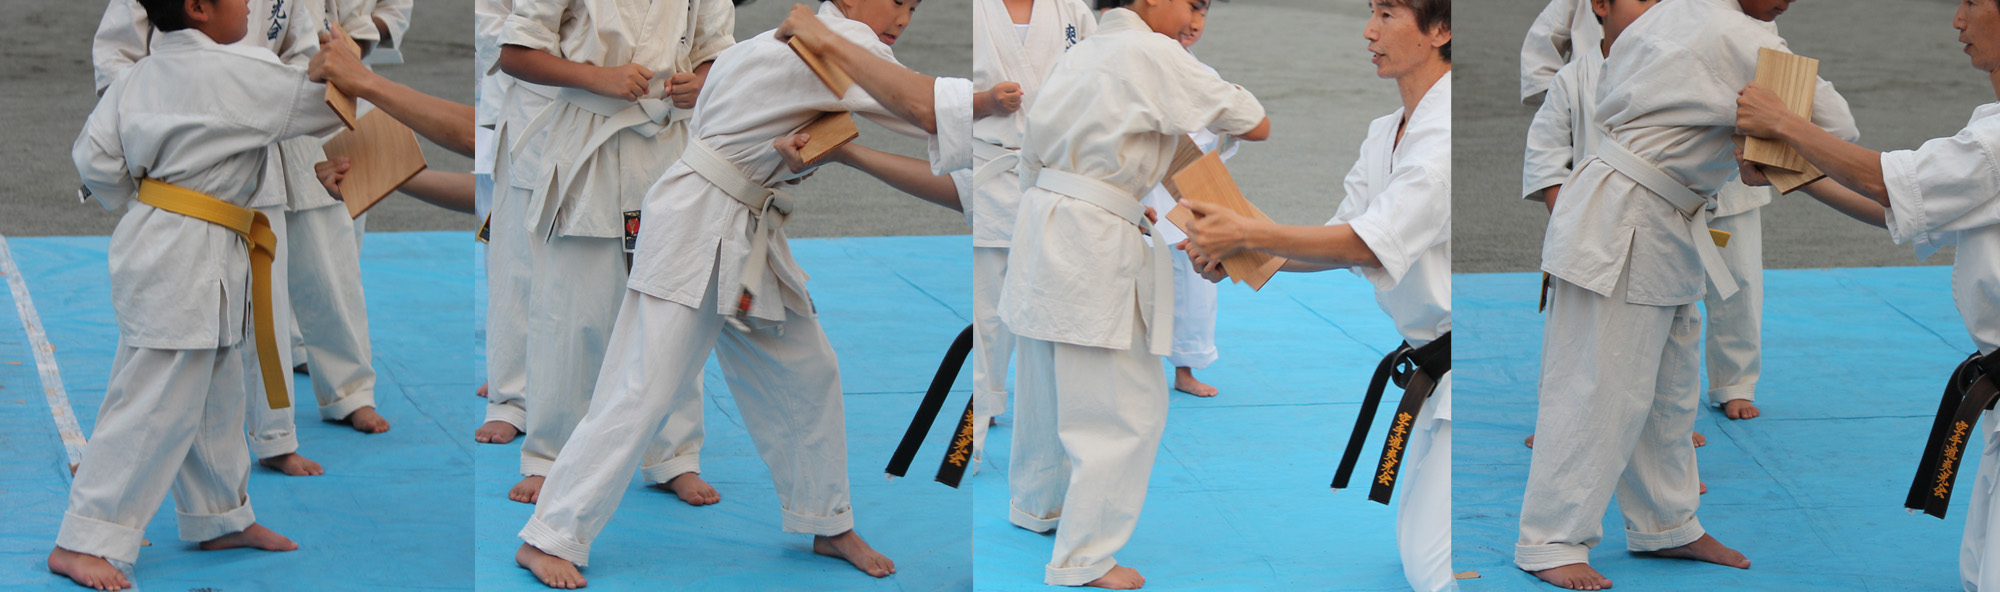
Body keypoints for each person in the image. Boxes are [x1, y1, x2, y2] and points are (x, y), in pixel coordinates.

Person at [509, 1, 974, 587]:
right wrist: (998, 103)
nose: (904, 16)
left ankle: (825, 519)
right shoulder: (832, 40)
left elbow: (752, 106)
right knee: (643, 380)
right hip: (696, 225)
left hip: (746, 235)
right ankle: (549, 535)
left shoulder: (811, 41)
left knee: (807, 370)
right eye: (897, 0)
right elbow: (921, 107)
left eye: (915, 5)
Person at [1513, 0, 1857, 588]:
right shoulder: (1737, 34)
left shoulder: (1685, 14)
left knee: (1668, 388)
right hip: (1626, 216)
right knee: (1597, 385)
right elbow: (1836, 123)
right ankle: (1549, 540)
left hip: (1660, 212)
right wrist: (1767, 141)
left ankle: (1667, 524)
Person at [48, 0, 350, 587]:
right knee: (153, 398)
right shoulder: (239, 72)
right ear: (200, 9)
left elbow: (96, 162)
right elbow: (323, 107)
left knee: (216, 386)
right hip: (190, 252)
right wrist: (345, 64)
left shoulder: (138, 75)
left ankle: (219, 516)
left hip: (159, 235)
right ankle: (84, 536)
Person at [998, 0, 1268, 587]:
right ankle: (1085, 557)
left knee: (1045, 382)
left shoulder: (1081, 52)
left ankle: (1037, 506)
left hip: (1044, 217)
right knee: (1121, 405)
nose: (1194, 15)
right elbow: (1253, 119)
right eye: (1188, 1)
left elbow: (1037, 157)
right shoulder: (1153, 51)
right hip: (1092, 237)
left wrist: (1115, 187)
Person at [1180, 1, 1450, 588]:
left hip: (1461, 363)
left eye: (1388, 14)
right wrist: (1242, 255)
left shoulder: (1443, 135)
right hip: (1428, 360)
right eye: (1371, 12)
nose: (1369, 30)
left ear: (1441, 31)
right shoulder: (1387, 131)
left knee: (1434, 568)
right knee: (1414, 549)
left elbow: (1363, 245)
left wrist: (1248, 231)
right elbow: (1340, 236)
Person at [1734, 2, 2000, 587]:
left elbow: (1884, 178)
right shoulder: (1990, 129)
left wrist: (1786, 125)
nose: (1958, 20)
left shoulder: (1995, 141)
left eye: (1973, 3)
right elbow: (1895, 207)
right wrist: (1793, 171)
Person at [494, 0, 736, 507]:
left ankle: (673, 455)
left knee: (675, 310)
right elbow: (517, 53)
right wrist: (597, 77)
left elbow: (717, 50)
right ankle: (550, 457)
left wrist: (702, 82)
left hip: (669, 145)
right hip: (588, 141)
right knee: (569, 315)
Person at [966, 0, 1098, 472]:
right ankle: (968, 443)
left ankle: (1039, 453)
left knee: (1042, 324)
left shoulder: (1073, 11)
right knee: (984, 325)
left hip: (1053, 180)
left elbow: (1098, 91)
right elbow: (926, 99)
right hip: (987, 171)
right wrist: (983, 102)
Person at [1135, 4, 1231, 398]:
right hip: (1140, 188)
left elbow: (1218, 134)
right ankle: (1133, 367)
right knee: (1134, 278)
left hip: (1185, 187)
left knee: (1194, 286)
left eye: (1203, 12)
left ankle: (1186, 368)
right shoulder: (1131, 62)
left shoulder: (1203, 75)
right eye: (1189, 7)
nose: (1194, 23)